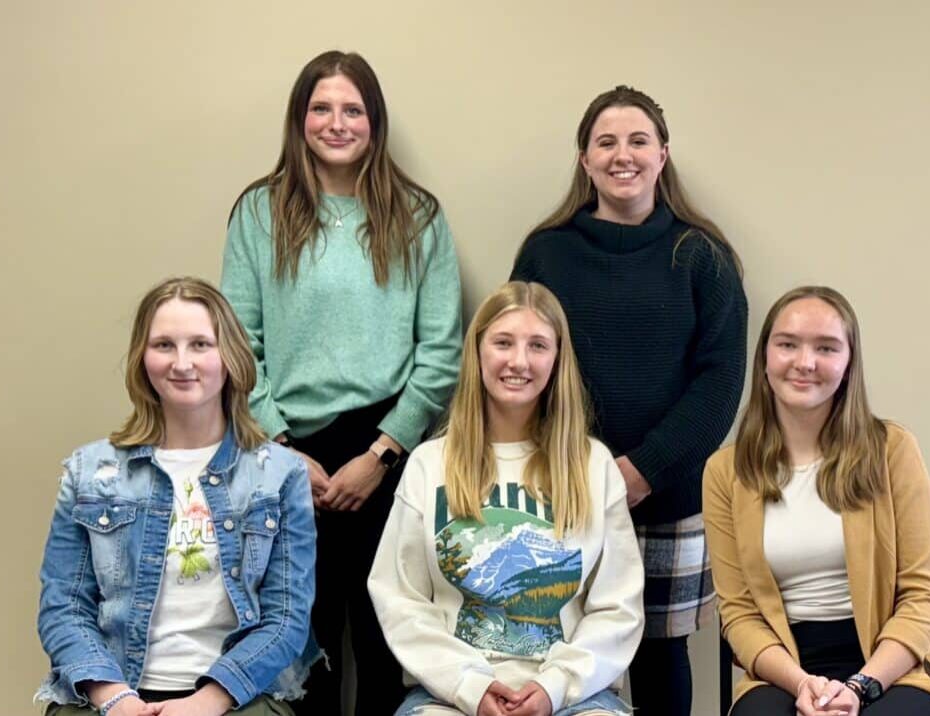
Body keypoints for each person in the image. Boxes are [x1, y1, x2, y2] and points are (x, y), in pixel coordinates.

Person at [221, 50, 462, 714]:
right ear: (299, 120)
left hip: (387, 450)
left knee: (387, 637)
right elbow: (237, 345)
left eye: (352, 109)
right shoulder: (260, 214)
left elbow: (441, 350)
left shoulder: (418, 215)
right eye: (321, 108)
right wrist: (280, 448)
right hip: (285, 450)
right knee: (304, 641)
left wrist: (383, 454)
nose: (337, 123)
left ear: (374, 122)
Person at [511, 85, 746, 716]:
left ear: (663, 155)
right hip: (560, 492)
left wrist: (640, 472)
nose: (623, 155)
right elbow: (519, 364)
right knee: (560, 654)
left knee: (659, 654)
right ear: (584, 160)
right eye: (606, 142)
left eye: (638, 140)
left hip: (666, 496)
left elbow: (721, 382)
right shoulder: (547, 252)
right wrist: (580, 474)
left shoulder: (701, 255)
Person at [36, 277, 317, 716]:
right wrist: (115, 696)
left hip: (237, 698)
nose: (182, 362)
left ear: (231, 356)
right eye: (164, 345)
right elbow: (64, 608)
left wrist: (209, 700)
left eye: (201, 344)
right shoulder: (90, 472)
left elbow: (286, 620)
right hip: (110, 694)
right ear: (142, 358)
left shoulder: (280, 475)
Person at [368, 281, 644, 716]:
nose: (519, 361)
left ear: (557, 359)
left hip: (574, 697)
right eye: (503, 343)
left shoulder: (594, 465)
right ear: (478, 352)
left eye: (538, 345)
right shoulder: (428, 465)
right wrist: (470, 687)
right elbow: (399, 598)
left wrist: (554, 687)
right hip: (451, 697)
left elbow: (618, 607)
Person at [702, 286, 930, 716]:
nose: (805, 362)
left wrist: (860, 686)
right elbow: (740, 615)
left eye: (826, 347)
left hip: (897, 666)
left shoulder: (892, 450)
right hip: (787, 670)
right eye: (787, 345)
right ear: (765, 358)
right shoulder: (726, 472)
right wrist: (804, 685)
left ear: (848, 363)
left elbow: (925, 599)